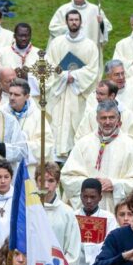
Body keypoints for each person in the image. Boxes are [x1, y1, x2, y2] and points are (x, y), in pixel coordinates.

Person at [60, 101, 133, 213]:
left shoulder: (131, 146)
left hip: (117, 213)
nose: (107, 122)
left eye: (111, 118)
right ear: (97, 119)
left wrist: (115, 184)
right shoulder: (83, 144)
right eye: (103, 118)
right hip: (88, 214)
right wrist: (91, 185)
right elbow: (67, 177)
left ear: (118, 119)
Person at [44, 9, 102, 157]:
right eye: (71, 20)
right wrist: (63, 76)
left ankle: (75, 154)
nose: (74, 22)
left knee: (76, 122)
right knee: (57, 122)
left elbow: (93, 69)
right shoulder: (57, 43)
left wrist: (74, 76)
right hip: (59, 92)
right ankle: (56, 156)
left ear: (81, 23)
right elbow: (49, 65)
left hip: (78, 93)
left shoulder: (90, 45)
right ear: (66, 22)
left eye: (76, 20)